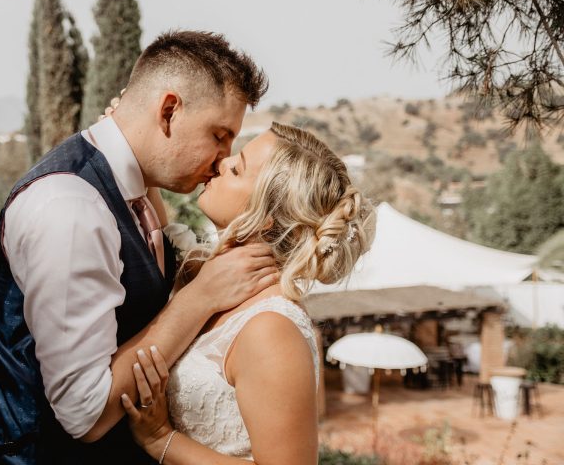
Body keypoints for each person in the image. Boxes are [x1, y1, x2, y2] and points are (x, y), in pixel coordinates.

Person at [0, 30, 275, 464]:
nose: (224, 157)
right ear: (168, 111)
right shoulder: (70, 208)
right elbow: (84, 413)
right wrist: (200, 298)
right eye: (219, 135)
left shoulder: (132, 193)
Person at [118, 122, 377, 464]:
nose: (221, 163)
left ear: (266, 218)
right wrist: (133, 133)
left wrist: (162, 440)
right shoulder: (206, 273)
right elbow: (154, 222)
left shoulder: (272, 330)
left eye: (237, 168)